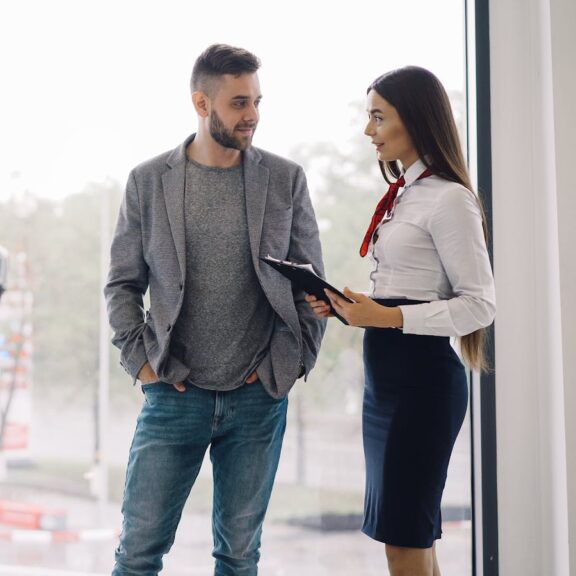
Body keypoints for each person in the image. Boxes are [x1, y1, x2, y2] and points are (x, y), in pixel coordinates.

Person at [104, 43, 326, 576]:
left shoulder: (285, 178)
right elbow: (122, 284)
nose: (252, 115)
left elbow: (309, 284)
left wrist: (292, 364)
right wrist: (141, 362)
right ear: (202, 104)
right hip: (173, 394)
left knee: (239, 556)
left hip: (257, 397)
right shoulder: (148, 180)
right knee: (137, 555)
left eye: (256, 102)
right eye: (238, 103)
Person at [306, 66, 495, 576]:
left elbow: (480, 304)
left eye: (377, 117)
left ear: (413, 118)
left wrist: (387, 315)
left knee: (404, 541)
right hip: (387, 380)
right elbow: (407, 293)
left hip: (422, 384)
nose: (369, 131)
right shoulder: (406, 193)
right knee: (408, 540)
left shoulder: (449, 197)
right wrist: (355, 310)